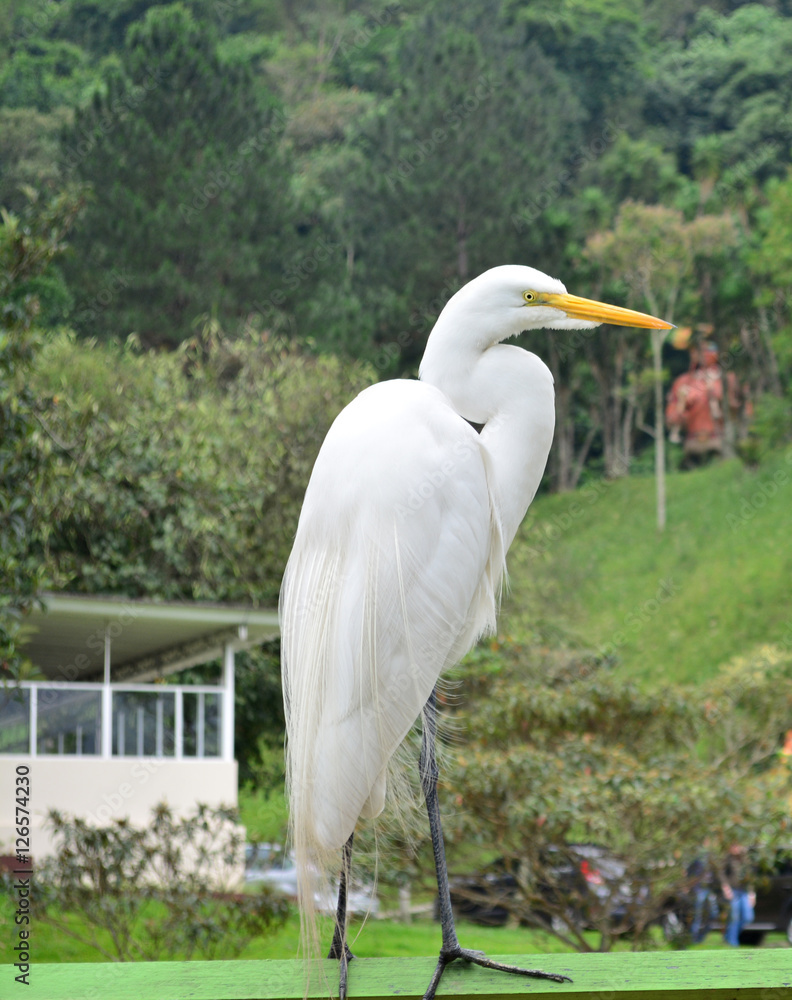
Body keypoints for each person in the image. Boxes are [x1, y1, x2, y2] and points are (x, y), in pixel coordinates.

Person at [665, 338, 747, 468]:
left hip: (720, 441)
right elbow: (672, 420)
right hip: (692, 445)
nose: (703, 354)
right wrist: (682, 402)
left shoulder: (727, 379)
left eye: (709, 348)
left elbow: (740, 410)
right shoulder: (682, 382)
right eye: (696, 350)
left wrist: (718, 396)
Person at [721, 844, 755, 946]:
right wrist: (726, 887)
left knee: (748, 917)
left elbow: (750, 877)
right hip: (733, 891)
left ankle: (728, 935)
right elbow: (721, 874)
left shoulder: (745, 859)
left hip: (744, 891)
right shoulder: (727, 858)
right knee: (734, 917)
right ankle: (732, 942)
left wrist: (752, 893)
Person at [686, 854, 718, 944]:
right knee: (697, 916)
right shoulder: (696, 859)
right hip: (699, 890)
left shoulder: (713, 859)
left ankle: (700, 938)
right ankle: (693, 940)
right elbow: (689, 873)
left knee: (713, 914)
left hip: (709, 890)